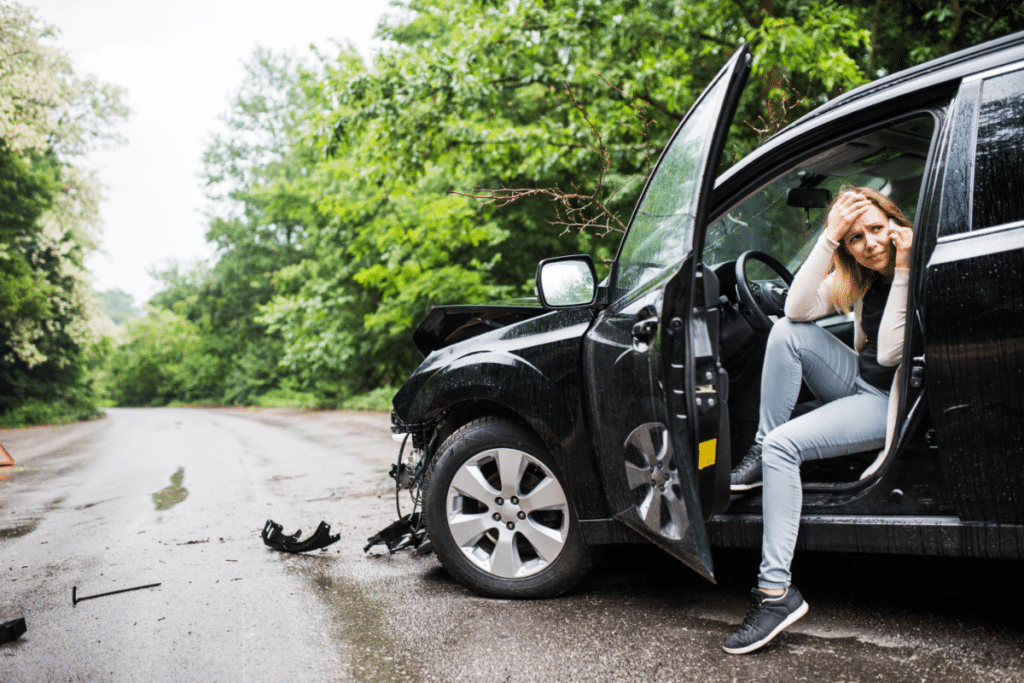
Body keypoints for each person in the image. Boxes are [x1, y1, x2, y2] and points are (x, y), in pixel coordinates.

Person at [722, 186, 914, 655]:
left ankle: (774, 595)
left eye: (875, 229)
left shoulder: (919, 266)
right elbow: (795, 310)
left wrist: (905, 265)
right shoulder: (860, 276)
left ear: (893, 222)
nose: (869, 243)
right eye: (854, 238)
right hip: (858, 382)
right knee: (787, 332)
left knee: (786, 447)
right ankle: (760, 446)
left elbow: (890, 354)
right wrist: (826, 238)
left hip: (890, 401)